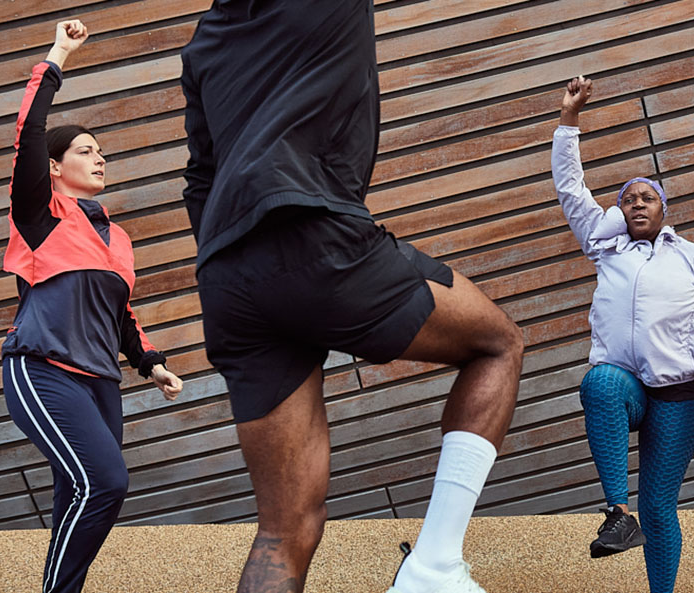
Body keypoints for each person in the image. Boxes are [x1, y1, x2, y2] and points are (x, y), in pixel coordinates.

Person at [179, 2, 523, 592]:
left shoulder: (205, 41)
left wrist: (237, 259)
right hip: (312, 236)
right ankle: (434, 566)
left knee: (282, 531)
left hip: (227, 275)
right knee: (498, 344)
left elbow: (200, 178)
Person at [1, 20, 184, 593]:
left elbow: (121, 315)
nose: (99, 159)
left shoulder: (118, 237)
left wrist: (149, 361)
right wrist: (58, 54)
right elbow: (29, 133)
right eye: (85, 151)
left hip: (102, 382)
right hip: (43, 370)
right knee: (105, 481)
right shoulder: (40, 213)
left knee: (77, 492)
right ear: (56, 168)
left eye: (101, 152)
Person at [551, 76, 694, 593]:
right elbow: (570, 189)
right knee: (600, 384)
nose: (636, 204)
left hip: (679, 396)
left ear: (663, 209)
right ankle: (617, 512)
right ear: (619, 212)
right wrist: (569, 120)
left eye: (647, 198)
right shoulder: (604, 248)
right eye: (628, 198)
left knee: (660, 507)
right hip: (631, 388)